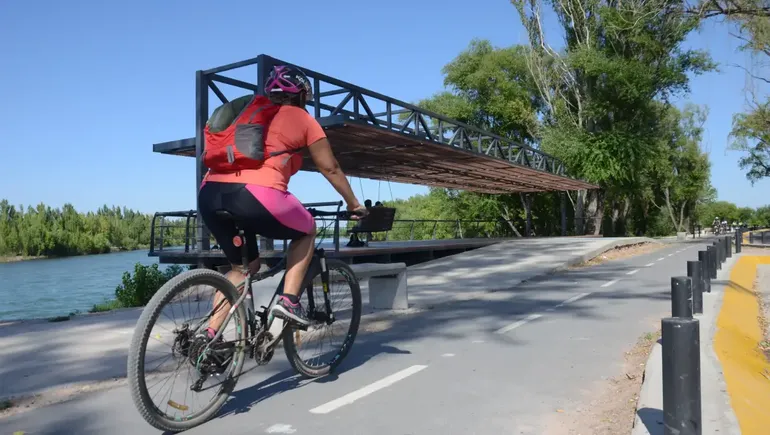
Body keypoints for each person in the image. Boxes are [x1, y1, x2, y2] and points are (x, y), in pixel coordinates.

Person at [197, 65, 367, 339]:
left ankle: (207, 336)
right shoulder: (302, 118)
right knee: (307, 230)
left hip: (210, 194)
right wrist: (353, 203)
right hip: (255, 196)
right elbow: (330, 167)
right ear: (300, 95)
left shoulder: (247, 114)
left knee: (242, 268)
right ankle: (288, 301)